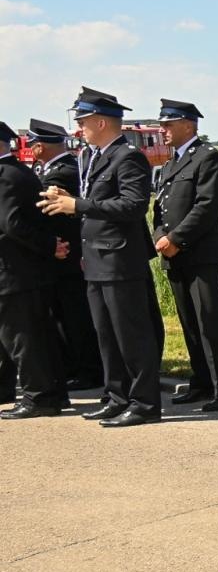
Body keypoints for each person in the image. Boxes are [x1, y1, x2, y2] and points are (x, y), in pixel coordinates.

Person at [39, 87, 165, 428]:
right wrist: (71, 197)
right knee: (106, 333)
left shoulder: (128, 157)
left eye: (82, 122)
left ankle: (144, 403)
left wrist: (77, 205)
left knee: (131, 333)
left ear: (100, 121)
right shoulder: (92, 156)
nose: (79, 129)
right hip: (96, 258)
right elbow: (97, 200)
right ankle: (117, 396)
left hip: (120, 259)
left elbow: (133, 206)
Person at [152, 100, 218, 412]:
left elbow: (207, 206)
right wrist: (159, 238)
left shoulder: (209, 158)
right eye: (161, 125)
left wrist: (176, 239)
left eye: (168, 125)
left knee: (210, 321)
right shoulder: (168, 165)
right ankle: (203, 382)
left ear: (189, 125)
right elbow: (160, 210)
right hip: (173, 254)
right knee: (190, 323)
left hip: (201, 254)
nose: (162, 130)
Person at [28, 119, 101, 390]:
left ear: (38, 148)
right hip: (65, 254)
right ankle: (76, 367)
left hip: (67, 255)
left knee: (75, 316)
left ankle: (88, 371)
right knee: (67, 316)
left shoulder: (59, 174)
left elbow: (42, 214)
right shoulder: (62, 168)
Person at [0, 121, 66, 419]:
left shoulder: (7, 176)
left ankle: (39, 397)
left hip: (15, 270)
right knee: (26, 334)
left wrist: (49, 245)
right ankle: (48, 393)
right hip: (22, 270)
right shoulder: (15, 172)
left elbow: (12, 224)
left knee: (22, 336)